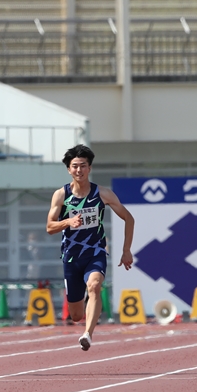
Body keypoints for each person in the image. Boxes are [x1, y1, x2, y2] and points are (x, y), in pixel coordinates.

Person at [46, 144, 135, 351]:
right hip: (71, 256)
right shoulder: (61, 195)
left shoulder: (102, 194)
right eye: (75, 166)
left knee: (95, 286)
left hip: (96, 251)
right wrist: (67, 222)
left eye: (83, 166)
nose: (79, 170)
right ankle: (84, 309)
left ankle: (88, 334)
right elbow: (49, 227)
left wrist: (126, 250)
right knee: (76, 314)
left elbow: (128, 218)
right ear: (69, 169)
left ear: (90, 168)